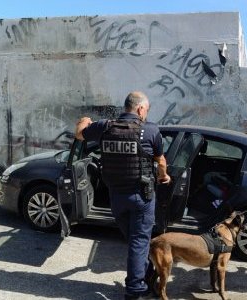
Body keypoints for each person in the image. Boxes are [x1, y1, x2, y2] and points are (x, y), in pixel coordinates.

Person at [75, 91, 171, 300]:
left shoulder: (104, 126)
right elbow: (161, 161)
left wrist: (84, 121)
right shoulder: (150, 129)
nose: (146, 113)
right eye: (147, 110)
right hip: (141, 197)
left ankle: (145, 272)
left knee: (135, 240)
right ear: (140, 109)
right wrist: (164, 177)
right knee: (139, 241)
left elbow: (80, 134)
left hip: (116, 197)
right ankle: (135, 290)